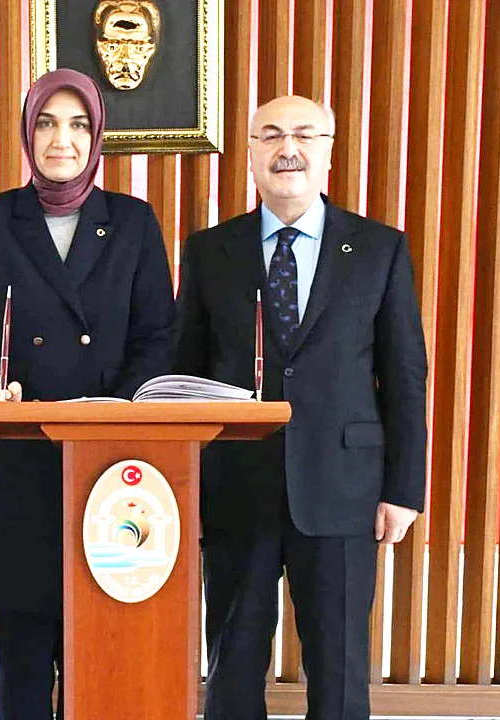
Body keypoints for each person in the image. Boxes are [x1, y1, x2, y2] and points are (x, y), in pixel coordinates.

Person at [173, 95, 428, 720]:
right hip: (235, 489)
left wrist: (404, 489)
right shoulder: (210, 251)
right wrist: (185, 490)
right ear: (250, 155)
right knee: (232, 665)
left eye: (305, 135)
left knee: (339, 673)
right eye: (271, 135)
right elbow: (184, 377)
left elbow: (404, 376)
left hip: (344, 489)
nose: (288, 148)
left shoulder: (378, 248)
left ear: (328, 151)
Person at [0, 68, 176, 720]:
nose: (61, 139)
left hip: (111, 470)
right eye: (45, 123)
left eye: (77, 124)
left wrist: (114, 410)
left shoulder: (132, 222)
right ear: (27, 133)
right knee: (20, 681)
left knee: (102, 673)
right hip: (14, 463)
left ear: (96, 136)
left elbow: (158, 338)